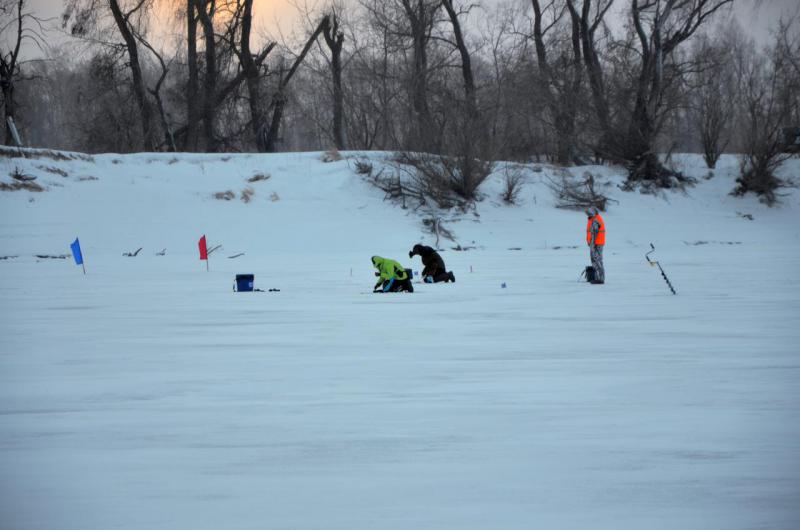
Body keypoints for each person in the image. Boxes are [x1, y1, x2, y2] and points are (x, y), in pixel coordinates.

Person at [585, 206, 606, 284]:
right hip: (596, 243)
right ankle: (598, 277)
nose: (587, 215)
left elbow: (594, 234)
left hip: (596, 244)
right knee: (597, 260)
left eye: (588, 213)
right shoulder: (595, 219)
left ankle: (599, 279)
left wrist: (592, 245)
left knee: (596, 260)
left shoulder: (595, 221)